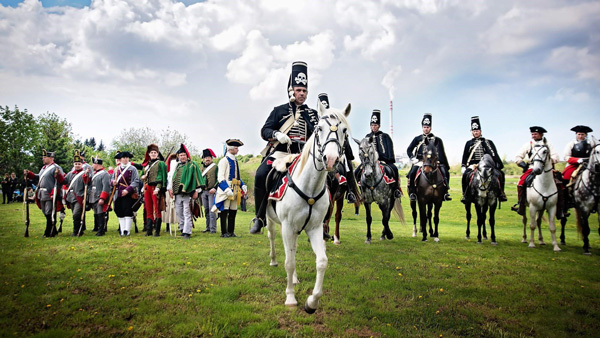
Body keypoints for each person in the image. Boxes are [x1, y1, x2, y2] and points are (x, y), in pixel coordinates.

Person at [250, 61, 319, 234]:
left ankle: (320, 221)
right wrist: (276, 134)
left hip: (302, 155)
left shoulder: (312, 114)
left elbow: (318, 136)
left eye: (304, 91)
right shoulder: (279, 111)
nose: (302, 94)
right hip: (280, 154)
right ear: (291, 91)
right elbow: (264, 130)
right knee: (260, 175)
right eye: (299, 90)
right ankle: (259, 217)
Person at [318, 93, 360, 203]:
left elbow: (343, 140)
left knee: (348, 165)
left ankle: (351, 191)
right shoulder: (317, 121)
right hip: (318, 152)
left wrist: (348, 155)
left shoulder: (335, 120)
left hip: (337, 152)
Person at [511, 126, 560, 215]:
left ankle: (560, 208)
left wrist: (549, 161)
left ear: (541, 134)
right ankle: (521, 204)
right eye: (532, 134)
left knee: (560, 183)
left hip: (547, 169)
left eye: (535, 134)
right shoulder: (528, 144)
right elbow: (518, 156)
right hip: (532, 168)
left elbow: (556, 157)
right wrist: (522, 164)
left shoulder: (549, 145)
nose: (533, 136)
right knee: (521, 183)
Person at [460, 116, 507, 203]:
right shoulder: (469, 143)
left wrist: (496, 163)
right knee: (465, 175)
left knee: (501, 174)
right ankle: (465, 195)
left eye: (477, 131)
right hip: (474, 165)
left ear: (480, 131)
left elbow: (494, 154)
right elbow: (465, 155)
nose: (476, 132)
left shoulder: (488, 142)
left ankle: (501, 193)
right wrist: (463, 166)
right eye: (474, 131)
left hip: (487, 165)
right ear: (472, 132)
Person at [406, 113, 452, 201]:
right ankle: (412, 193)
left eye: (427, 127)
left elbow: (441, 153)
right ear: (422, 127)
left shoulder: (437, 139)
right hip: (419, 162)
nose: (425, 129)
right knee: (412, 173)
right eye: (424, 127)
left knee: (445, 172)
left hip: (433, 162)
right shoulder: (417, 139)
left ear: (430, 128)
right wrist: (413, 158)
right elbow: (409, 149)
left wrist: (440, 162)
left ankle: (445, 192)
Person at [361, 109, 402, 199]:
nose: (373, 127)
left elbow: (390, 149)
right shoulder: (367, 137)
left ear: (379, 126)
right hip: (369, 162)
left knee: (394, 169)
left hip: (383, 161)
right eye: (372, 125)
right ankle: (360, 192)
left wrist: (387, 159)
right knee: (357, 172)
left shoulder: (385, 136)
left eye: (375, 125)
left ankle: (396, 190)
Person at [24, 149, 65, 237]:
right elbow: (39, 177)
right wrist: (29, 174)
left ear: (51, 158)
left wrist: (54, 193)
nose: (43, 159)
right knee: (45, 212)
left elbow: (61, 181)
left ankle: (48, 231)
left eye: (45, 157)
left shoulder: (56, 167)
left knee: (49, 212)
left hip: (50, 193)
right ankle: (53, 229)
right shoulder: (43, 168)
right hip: (41, 193)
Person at [212, 139, 248, 238]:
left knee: (233, 210)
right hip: (226, 190)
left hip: (236, 189)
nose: (238, 150)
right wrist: (226, 189)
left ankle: (231, 231)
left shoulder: (235, 160)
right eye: (236, 148)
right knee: (224, 210)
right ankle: (224, 232)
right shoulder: (224, 161)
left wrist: (242, 185)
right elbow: (220, 177)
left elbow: (237, 177)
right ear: (231, 149)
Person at [168, 144, 204, 239]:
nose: (182, 157)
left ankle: (187, 232)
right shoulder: (177, 166)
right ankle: (182, 229)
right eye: (181, 155)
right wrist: (171, 189)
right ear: (178, 157)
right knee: (179, 212)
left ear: (187, 156)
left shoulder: (193, 165)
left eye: (184, 155)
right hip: (178, 194)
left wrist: (197, 190)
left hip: (188, 193)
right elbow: (173, 179)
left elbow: (197, 178)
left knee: (187, 213)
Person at [562, 125, 594, 208]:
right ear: (576, 134)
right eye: (579, 134)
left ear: (586, 135)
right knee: (566, 177)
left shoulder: (591, 144)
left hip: (589, 164)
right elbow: (566, 157)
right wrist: (577, 160)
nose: (580, 136)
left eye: (582, 134)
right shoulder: (571, 144)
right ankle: (567, 199)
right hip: (574, 165)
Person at [62, 150, 92, 236]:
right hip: (71, 197)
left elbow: (87, 183)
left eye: (79, 164)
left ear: (82, 164)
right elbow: (64, 181)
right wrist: (58, 175)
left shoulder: (84, 173)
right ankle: (79, 229)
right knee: (75, 215)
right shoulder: (70, 174)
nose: (77, 165)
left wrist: (86, 175)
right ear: (73, 165)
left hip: (80, 197)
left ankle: (76, 231)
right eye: (76, 164)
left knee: (76, 214)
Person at [140, 144, 167, 236]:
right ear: (149, 154)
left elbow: (162, 177)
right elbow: (142, 175)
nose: (153, 154)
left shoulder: (161, 163)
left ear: (157, 153)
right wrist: (142, 177)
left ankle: (157, 231)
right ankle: (149, 230)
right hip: (147, 188)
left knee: (157, 209)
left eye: (155, 152)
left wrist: (158, 188)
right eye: (151, 153)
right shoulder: (147, 165)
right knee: (148, 209)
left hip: (156, 188)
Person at [112, 151, 140, 236]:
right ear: (120, 159)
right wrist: (113, 182)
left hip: (128, 193)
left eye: (127, 158)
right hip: (118, 193)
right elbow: (112, 179)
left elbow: (136, 181)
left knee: (127, 211)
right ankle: (122, 229)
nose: (125, 159)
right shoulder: (116, 169)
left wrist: (127, 190)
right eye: (123, 158)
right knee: (119, 211)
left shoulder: (133, 169)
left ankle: (126, 230)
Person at [89, 157, 111, 236]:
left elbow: (106, 187)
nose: (92, 165)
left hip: (100, 196)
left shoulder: (104, 174)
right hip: (94, 196)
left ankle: (101, 230)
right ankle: (98, 228)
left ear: (97, 164)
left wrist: (102, 198)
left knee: (100, 213)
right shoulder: (94, 173)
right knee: (96, 213)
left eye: (93, 164)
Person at [200, 148, 218, 234]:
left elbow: (219, 179)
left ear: (211, 158)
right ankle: (207, 227)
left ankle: (213, 229)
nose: (207, 159)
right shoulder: (201, 168)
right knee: (206, 210)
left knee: (212, 210)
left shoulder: (215, 167)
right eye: (205, 157)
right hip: (203, 191)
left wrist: (215, 188)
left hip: (212, 191)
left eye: (208, 157)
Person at [163, 153, 179, 233]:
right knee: (168, 208)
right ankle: (167, 225)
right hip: (168, 191)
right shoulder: (167, 172)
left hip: (178, 190)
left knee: (179, 208)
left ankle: (180, 224)